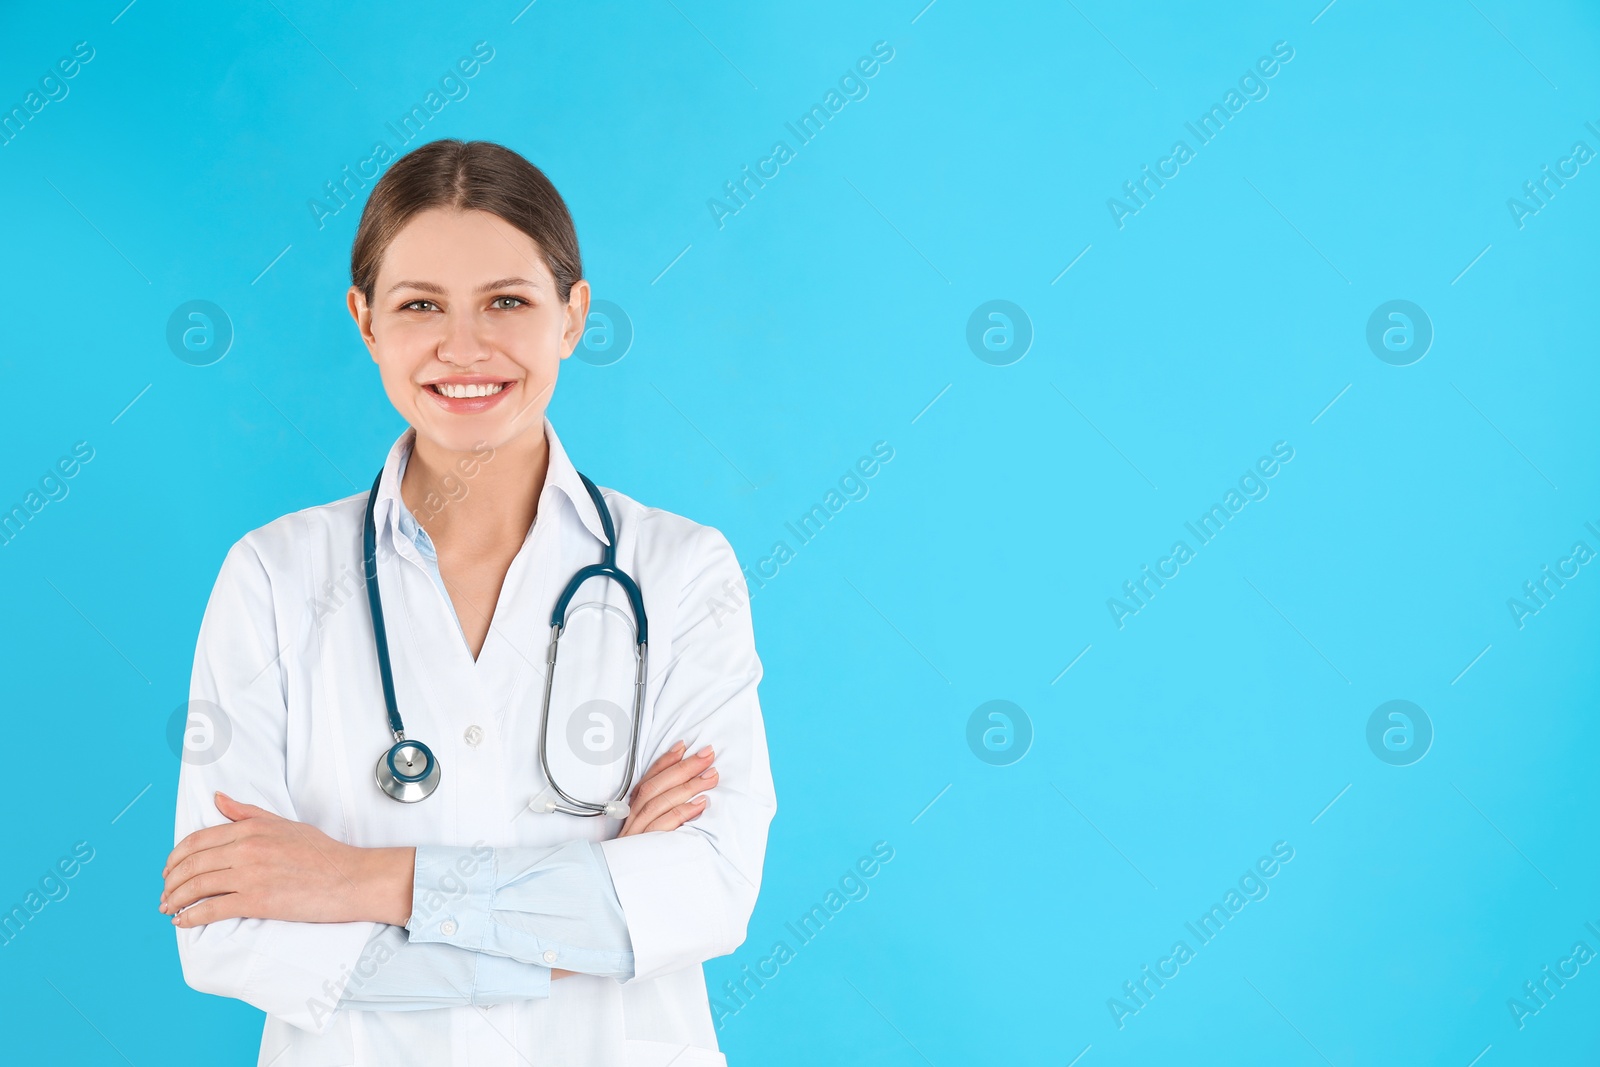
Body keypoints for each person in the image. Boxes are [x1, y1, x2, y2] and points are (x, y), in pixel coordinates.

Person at [160, 138, 776, 1066]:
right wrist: (584, 929)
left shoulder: (680, 572)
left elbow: (707, 890)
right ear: (365, 321)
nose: (464, 347)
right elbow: (225, 930)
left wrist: (362, 879)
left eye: (507, 302)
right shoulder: (273, 578)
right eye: (419, 306)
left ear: (572, 316)